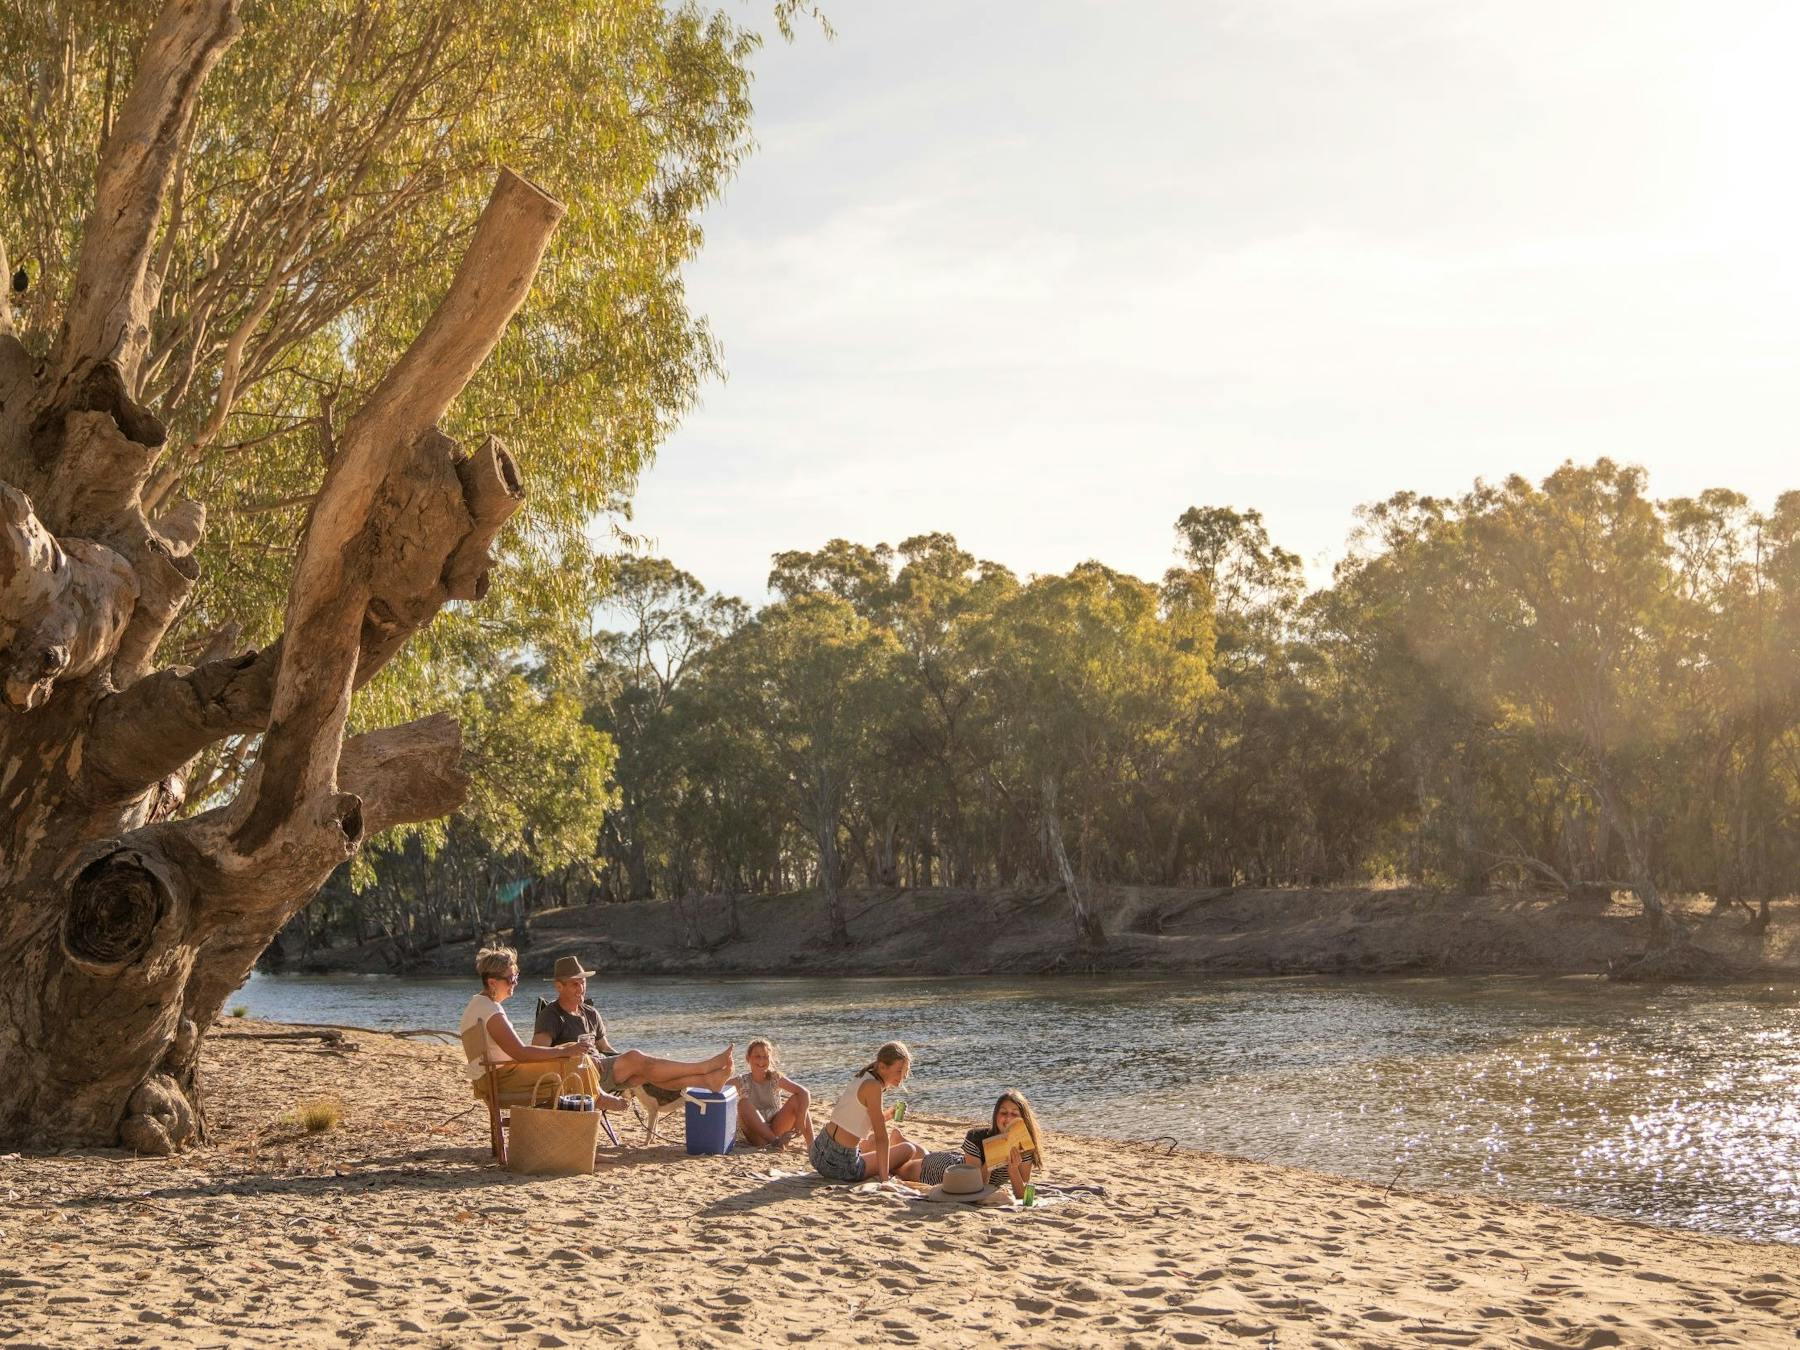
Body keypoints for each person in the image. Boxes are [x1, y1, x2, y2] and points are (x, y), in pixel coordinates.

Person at [530, 955, 733, 1101]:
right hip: (576, 1077)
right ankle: (703, 1068)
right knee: (637, 1058)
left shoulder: (590, 1013)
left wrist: (632, 1061)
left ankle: (707, 1081)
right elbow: (537, 1055)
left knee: (647, 1073)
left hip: (602, 1070)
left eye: (583, 982)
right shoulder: (551, 1015)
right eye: (574, 984)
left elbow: (606, 1049)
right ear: (559, 986)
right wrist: (572, 1054)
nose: (581, 988)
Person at [459, 946, 600, 1099]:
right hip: (501, 1080)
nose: (515, 983)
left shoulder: (479, 1005)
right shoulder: (490, 1011)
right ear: (492, 982)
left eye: (516, 976)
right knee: (572, 1059)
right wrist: (563, 1052)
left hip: (495, 1077)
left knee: (570, 1050)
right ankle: (598, 1098)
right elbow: (521, 1053)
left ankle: (596, 1097)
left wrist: (565, 1050)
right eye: (511, 979)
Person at [810, 1041, 920, 1184]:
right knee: (908, 1149)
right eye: (899, 1071)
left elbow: (859, 1122)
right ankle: (892, 1170)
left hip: (818, 1149)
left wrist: (890, 1114)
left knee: (872, 1141)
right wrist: (884, 1180)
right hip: (839, 1164)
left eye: (905, 1070)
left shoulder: (864, 1076)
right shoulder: (873, 1087)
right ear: (882, 1067)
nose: (903, 1076)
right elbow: (882, 1138)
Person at [945, 1088, 1045, 1201]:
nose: (1008, 1118)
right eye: (1003, 1113)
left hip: (956, 1185)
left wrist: (1013, 1170)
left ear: (1023, 1118)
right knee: (922, 1160)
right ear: (995, 1115)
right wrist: (991, 1160)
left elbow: (1022, 1196)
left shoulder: (1024, 1147)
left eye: (1014, 1114)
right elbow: (976, 1187)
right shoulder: (975, 1138)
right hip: (948, 1171)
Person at [732, 1038, 812, 1149]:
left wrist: (800, 1118)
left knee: (798, 1099)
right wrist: (724, 1071)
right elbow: (717, 1089)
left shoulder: (775, 1078)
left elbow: (804, 1092)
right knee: (743, 1103)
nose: (761, 1061)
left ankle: (812, 1145)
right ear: (748, 1058)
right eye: (757, 1056)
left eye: (765, 1057)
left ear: (770, 1059)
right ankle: (775, 1142)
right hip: (756, 1136)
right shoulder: (741, 1081)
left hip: (776, 1129)